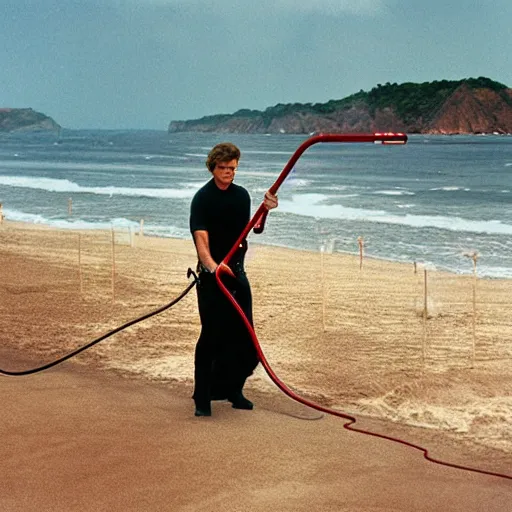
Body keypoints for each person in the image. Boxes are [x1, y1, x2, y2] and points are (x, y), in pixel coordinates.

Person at [189, 142, 278, 417]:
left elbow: (252, 230)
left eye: (233, 168)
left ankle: (233, 389)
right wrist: (214, 269)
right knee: (212, 337)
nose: (229, 172)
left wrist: (265, 211)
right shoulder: (202, 198)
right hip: (212, 276)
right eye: (224, 168)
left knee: (244, 337)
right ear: (213, 167)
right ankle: (202, 398)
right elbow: (201, 242)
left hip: (237, 274)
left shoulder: (241, 196)